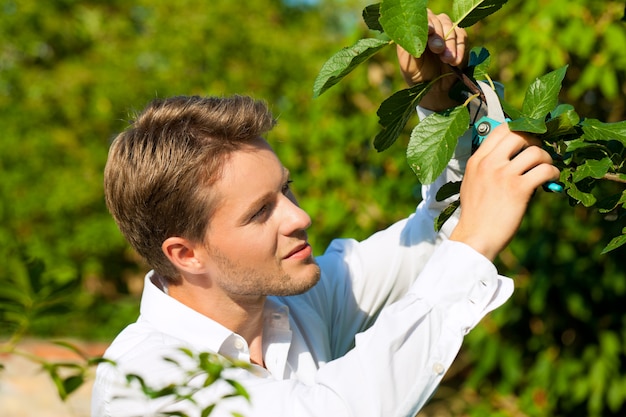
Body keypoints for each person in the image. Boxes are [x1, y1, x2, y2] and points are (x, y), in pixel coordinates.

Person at [92, 11, 559, 417]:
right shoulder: (147, 382)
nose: (300, 217)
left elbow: (432, 238)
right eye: (259, 213)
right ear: (185, 254)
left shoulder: (296, 305)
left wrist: (439, 103)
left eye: (286, 189)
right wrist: (473, 244)